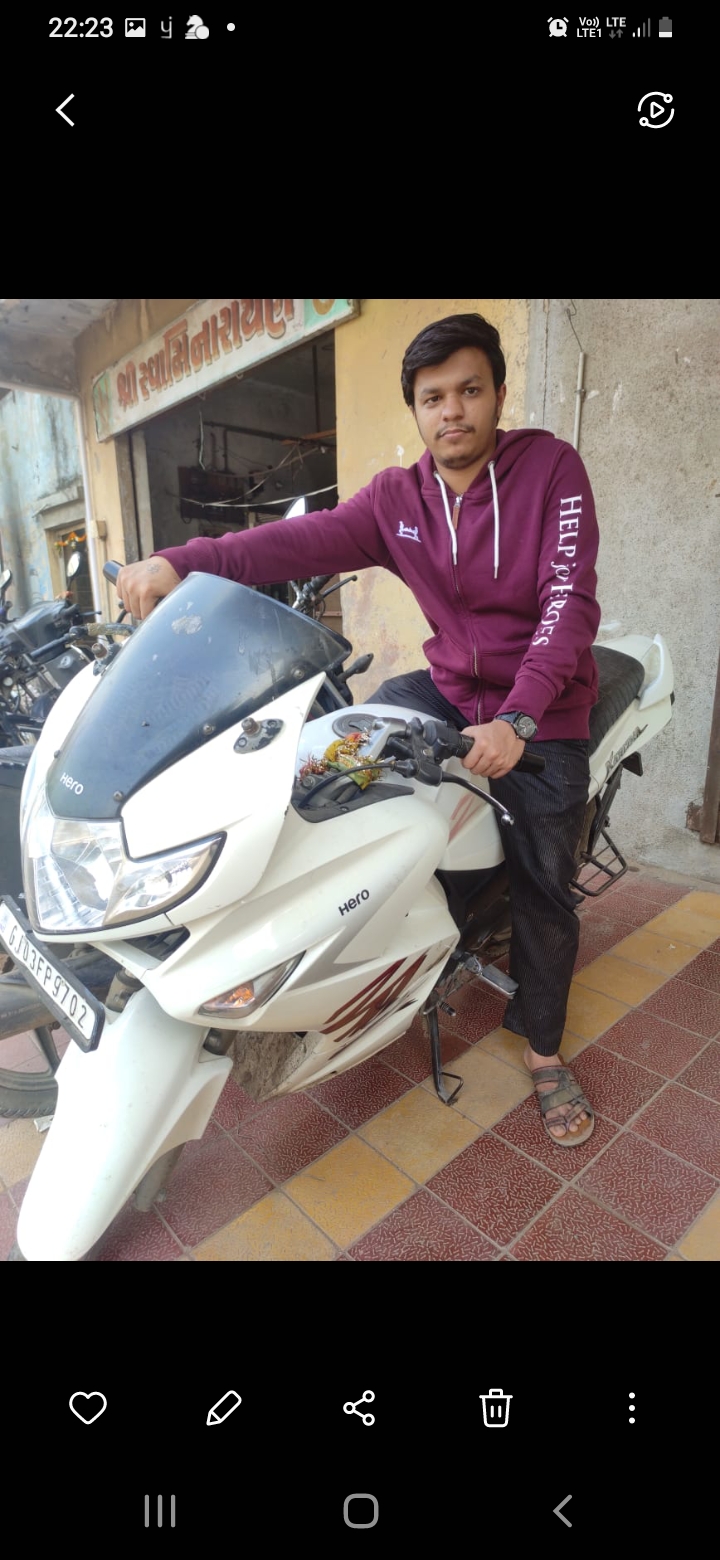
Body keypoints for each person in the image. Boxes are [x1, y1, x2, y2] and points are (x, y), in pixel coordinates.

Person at [117, 312, 600, 1145]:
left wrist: (520, 717)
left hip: (543, 710)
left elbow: (569, 601)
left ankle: (545, 1049)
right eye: (433, 397)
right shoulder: (396, 502)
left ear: (497, 394)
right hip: (449, 689)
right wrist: (180, 561)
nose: (452, 411)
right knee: (331, 760)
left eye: (469, 391)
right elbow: (285, 544)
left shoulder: (551, 469)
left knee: (545, 884)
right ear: (416, 409)